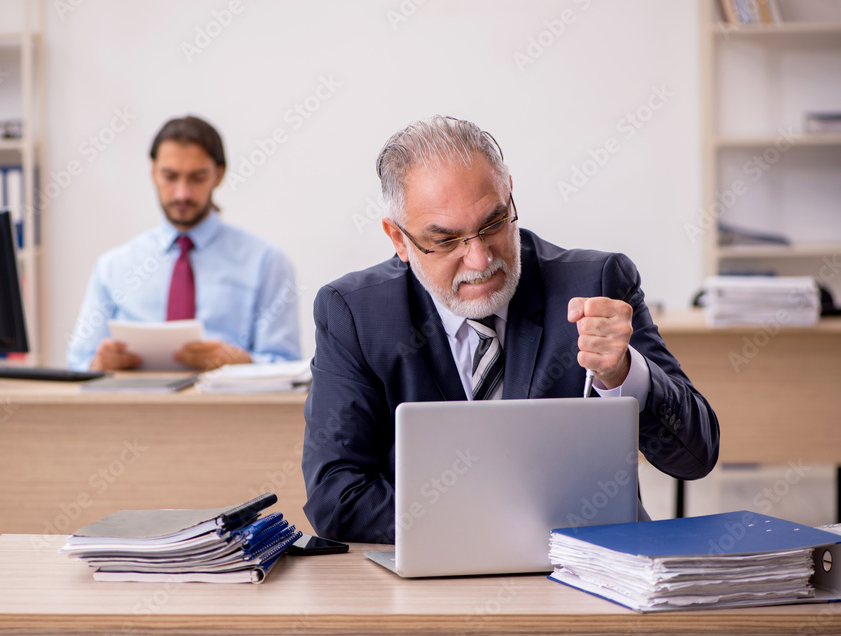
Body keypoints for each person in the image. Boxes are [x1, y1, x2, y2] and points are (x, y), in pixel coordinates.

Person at [302, 116, 719, 543]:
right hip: (437, 571)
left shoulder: (597, 284)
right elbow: (334, 497)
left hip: (587, 570)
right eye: (446, 241)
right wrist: (491, 528)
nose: (481, 260)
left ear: (510, 198)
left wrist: (626, 375)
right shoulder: (354, 313)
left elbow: (695, 457)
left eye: (494, 224)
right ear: (399, 239)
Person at [67, 116, 302, 371]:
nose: (182, 193)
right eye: (170, 176)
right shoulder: (112, 266)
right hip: (135, 407)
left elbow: (287, 366)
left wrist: (240, 362)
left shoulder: (266, 263)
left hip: (224, 408)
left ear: (219, 175)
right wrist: (98, 363)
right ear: (153, 172)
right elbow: (78, 361)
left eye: (197, 178)